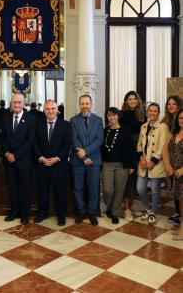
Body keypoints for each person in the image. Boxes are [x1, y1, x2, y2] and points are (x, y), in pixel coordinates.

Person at [34, 100, 71, 226]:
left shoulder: (65, 125)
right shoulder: (38, 124)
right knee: (42, 191)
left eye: (53, 108)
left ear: (57, 110)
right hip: (42, 164)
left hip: (59, 165)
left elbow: (67, 144)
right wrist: (41, 157)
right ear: (44, 110)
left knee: (60, 191)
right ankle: (42, 213)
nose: (50, 111)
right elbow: (34, 143)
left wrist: (57, 158)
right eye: (48, 109)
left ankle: (61, 215)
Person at [1, 92, 36, 225]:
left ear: (23, 103)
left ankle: (24, 214)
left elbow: (30, 141)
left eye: (19, 102)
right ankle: (14, 211)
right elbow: (2, 138)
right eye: (14, 102)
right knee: (12, 187)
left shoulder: (31, 119)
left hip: (24, 161)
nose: (16, 104)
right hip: (8, 160)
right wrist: (6, 153)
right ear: (11, 103)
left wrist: (15, 155)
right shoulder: (5, 117)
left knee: (25, 188)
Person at [69, 95, 103, 226]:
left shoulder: (98, 120)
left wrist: (86, 152)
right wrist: (83, 156)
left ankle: (92, 212)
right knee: (78, 188)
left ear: (91, 104)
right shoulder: (73, 120)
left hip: (94, 160)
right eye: (82, 103)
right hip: (77, 161)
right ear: (79, 105)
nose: (85, 106)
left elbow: (99, 140)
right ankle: (80, 212)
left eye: (87, 103)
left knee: (94, 188)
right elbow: (74, 139)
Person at [102, 107, 136, 224]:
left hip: (122, 165)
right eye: (110, 115)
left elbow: (131, 148)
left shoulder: (125, 130)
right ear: (107, 117)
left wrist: (132, 165)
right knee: (107, 190)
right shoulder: (105, 130)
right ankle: (109, 207)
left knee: (119, 190)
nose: (112, 117)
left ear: (118, 116)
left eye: (114, 115)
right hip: (107, 164)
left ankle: (114, 213)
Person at [136, 103, 168, 225]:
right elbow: (139, 144)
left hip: (156, 164)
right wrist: (141, 159)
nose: (152, 113)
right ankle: (147, 208)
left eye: (155, 111)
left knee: (155, 190)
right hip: (143, 163)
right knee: (140, 189)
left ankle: (153, 212)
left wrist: (153, 161)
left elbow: (163, 146)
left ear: (158, 113)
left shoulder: (163, 127)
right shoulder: (143, 126)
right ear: (147, 112)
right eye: (150, 111)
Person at [120, 91, 145, 221]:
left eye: (134, 98)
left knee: (135, 178)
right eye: (130, 99)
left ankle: (133, 204)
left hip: (140, 149)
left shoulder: (142, 114)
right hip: (127, 148)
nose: (132, 101)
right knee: (127, 178)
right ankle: (126, 208)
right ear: (126, 101)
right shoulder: (122, 115)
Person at [162, 95, 182, 226]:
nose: (171, 106)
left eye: (174, 104)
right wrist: (168, 166)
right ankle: (178, 214)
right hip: (172, 166)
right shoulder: (167, 123)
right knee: (175, 192)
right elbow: (165, 148)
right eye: (169, 104)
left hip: (181, 167)